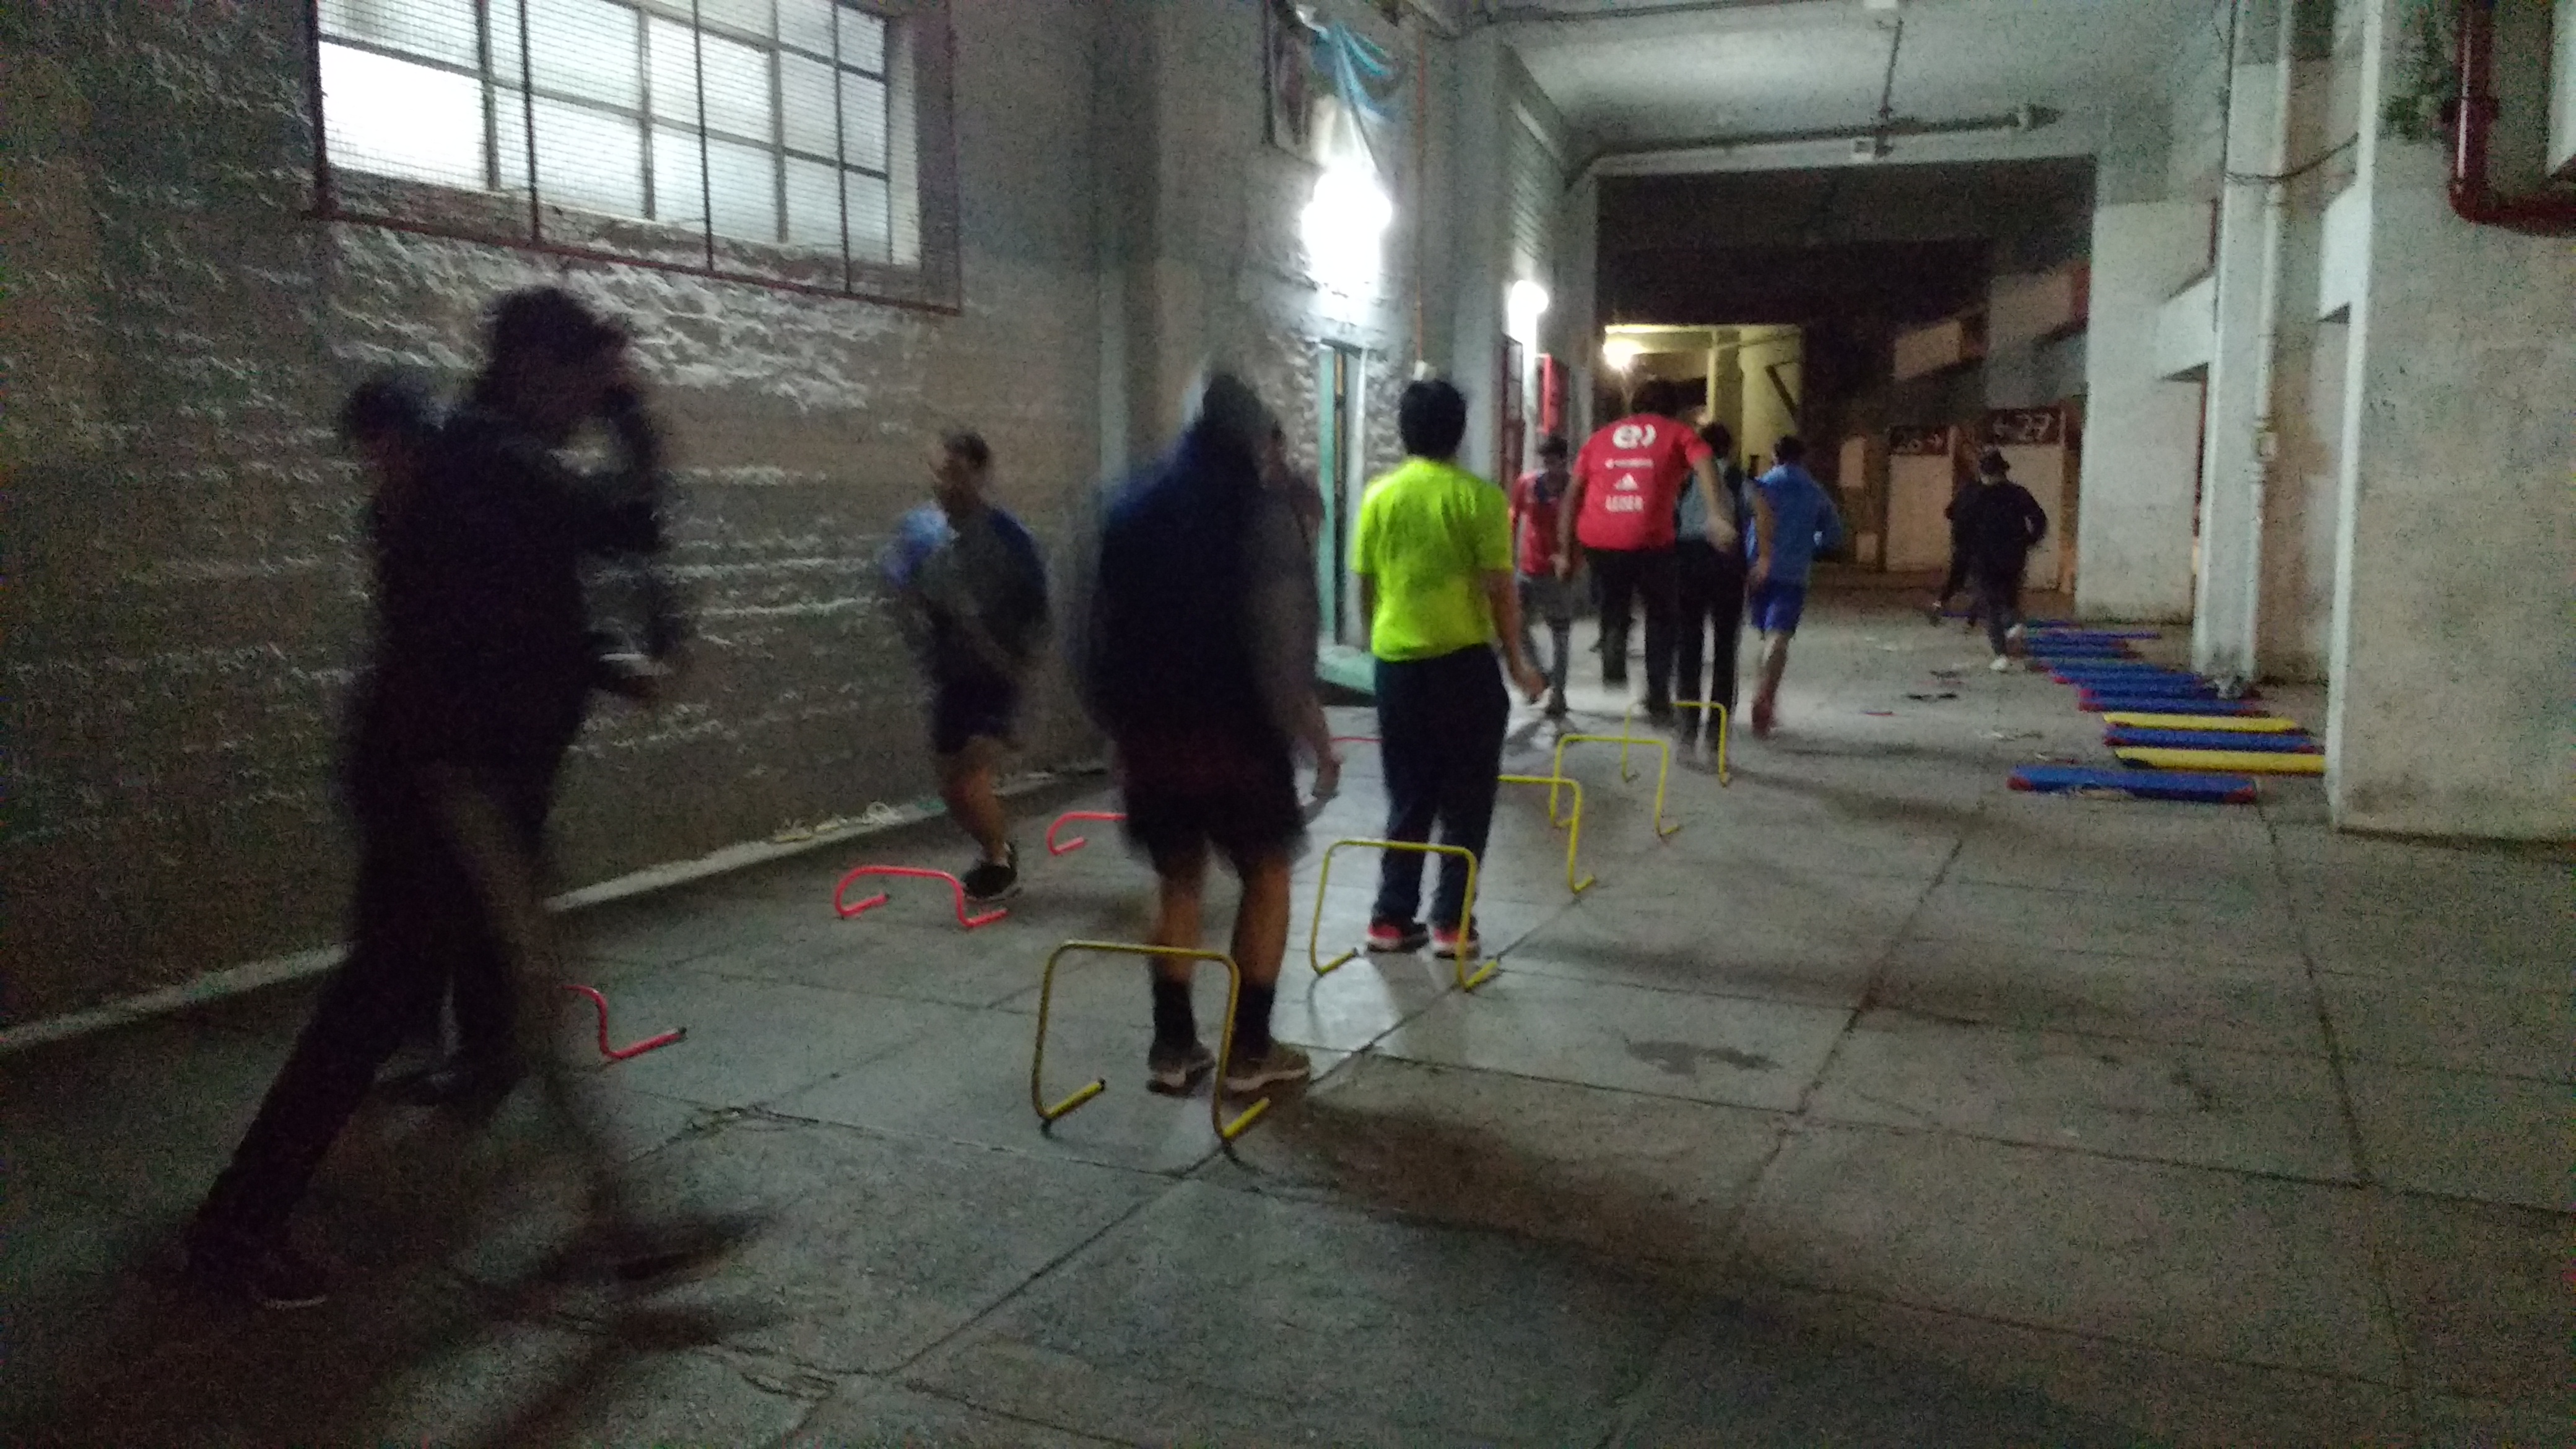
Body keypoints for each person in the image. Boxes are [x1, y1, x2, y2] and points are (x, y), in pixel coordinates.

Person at [188, 288, 738, 1308]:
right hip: (454, 786)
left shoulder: (483, 464)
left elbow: (509, 615)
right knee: (406, 1002)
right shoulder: (493, 457)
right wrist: (632, 416)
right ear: (533, 367)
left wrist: (601, 666)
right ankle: (235, 1231)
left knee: (505, 994)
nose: (589, 401)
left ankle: (621, 1222)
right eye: (583, 379)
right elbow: (629, 521)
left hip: (459, 778)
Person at [1077, 373, 1338, 1098]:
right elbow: (1282, 639)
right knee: (1267, 876)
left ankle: (1171, 1048)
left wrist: (1116, 720)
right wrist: (1306, 733)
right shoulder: (1259, 514)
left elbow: (1089, 628)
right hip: (1238, 736)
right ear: (1251, 437)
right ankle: (1249, 1050)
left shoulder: (1127, 505)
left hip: (1151, 735)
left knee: (1178, 879)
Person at [1354, 379, 1545, 960]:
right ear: (1459, 432)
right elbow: (1500, 590)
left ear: (1403, 431)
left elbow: (1365, 585)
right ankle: (1451, 925)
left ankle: (1390, 918)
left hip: (1397, 666)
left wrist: (1379, 643)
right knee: (1467, 796)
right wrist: (1518, 663)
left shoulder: (1379, 495)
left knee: (1408, 793)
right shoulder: (1479, 498)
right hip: (1462, 667)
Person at [886, 431, 1051, 902]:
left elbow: (1038, 609)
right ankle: (995, 847)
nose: (946, 484)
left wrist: (1021, 671)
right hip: (951, 675)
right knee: (952, 787)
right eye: (941, 473)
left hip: (995, 673)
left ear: (979, 474)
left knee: (972, 776)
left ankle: (999, 862)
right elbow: (900, 592)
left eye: (957, 473)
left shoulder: (1008, 538)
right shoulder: (924, 534)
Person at [1558, 378, 1729, 724]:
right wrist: (1716, 514)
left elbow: (1572, 494)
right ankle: (1657, 694)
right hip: (1648, 536)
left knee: (1614, 594)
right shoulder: (1678, 433)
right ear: (1673, 408)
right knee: (1662, 615)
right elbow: (1706, 463)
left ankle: (1614, 631)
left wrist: (1564, 549)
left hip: (1598, 536)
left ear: (1633, 406)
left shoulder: (1600, 437)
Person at [1671, 421, 1769, 754]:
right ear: (1729, 448)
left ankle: (1687, 726)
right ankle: (1717, 731)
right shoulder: (1737, 478)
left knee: (1688, 644)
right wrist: (1763, 558)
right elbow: (1763, 511)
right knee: (1726, 648)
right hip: (1727, 561)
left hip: (1688, 559)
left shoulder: (1686, 479)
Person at [1743, 436, 1843, 738]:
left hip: (1758, 568)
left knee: (1766, 636)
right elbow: (1833, 534)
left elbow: (1744, 520)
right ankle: (1767, 697)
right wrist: (1810, 544)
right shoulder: (1814, 491)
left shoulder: (1762, 485)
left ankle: (1763, 695)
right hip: (1793, 573)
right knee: (1779, 637)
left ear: (1775, 455)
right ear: (1803, 457)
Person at [1951, 448, 2051, 670]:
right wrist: (2029, 540)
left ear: (1983, 472)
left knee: (1990, 603)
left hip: (1983, 557)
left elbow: (1958, 520)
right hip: (2013, 555)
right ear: (2004, 472)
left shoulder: (1974, 495)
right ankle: (2014, 623)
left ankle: (2001, 654)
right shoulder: (2018, 493)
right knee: (2009, 595)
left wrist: (1963, 550)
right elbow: (2039, 519)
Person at [1507, 433, 1578, 717]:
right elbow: (1514, 516)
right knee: (1516, 624)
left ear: (1564, 460)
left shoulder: (1574, 489)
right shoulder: (1527, 484)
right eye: (1545, 462)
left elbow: (1581, 528)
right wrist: (1506, 553)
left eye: (1554, 462)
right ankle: (1538, 675)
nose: (1549, 468)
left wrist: (1573, 563)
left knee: (1560, 631)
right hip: (1527, 566)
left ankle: (1558, 693)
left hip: (1557, 570)